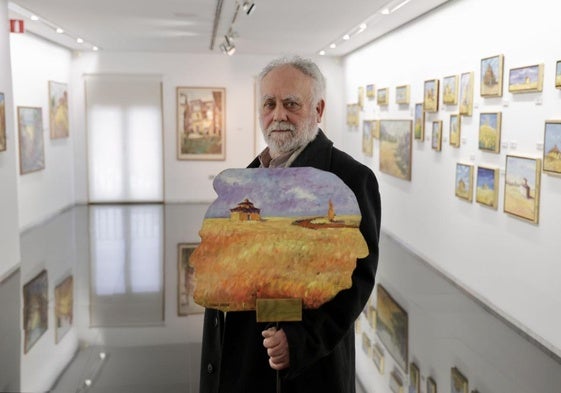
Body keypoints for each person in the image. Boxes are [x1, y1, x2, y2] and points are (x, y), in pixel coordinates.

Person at [199, 55, 381, 393]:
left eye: (291, 104)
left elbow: (357, 280)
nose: (278, 114)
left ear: (318, 110)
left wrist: (300, 341)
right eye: (269, 103)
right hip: (245, 360)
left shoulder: (351, 179)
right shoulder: (249, 175)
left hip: (305, 371)